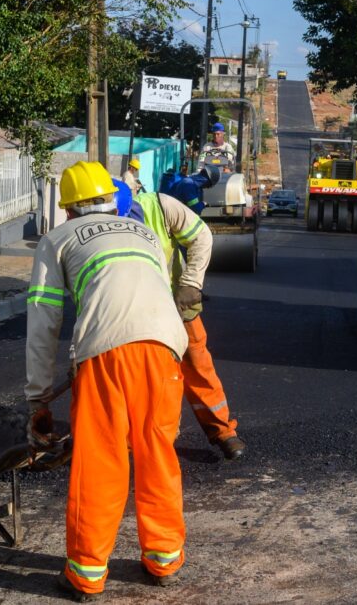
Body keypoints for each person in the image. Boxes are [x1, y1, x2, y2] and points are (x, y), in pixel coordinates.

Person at [26, 161, 189, 601]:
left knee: (101, 457)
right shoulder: (145, 233)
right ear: (109, 199)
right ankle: (164, 558)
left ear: (70, 208)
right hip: (167, 344)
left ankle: (86, 573)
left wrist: (38, 397)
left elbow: (44, 319)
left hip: (107, 349)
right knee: (157, 448)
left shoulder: (56, 240)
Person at [123, 169, 246, 461]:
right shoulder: (101, 228)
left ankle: (222, 430)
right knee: (142, 373)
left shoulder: (161, 205)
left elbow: (201, 236)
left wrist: (191, 283)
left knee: (197, 362)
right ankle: (138, 437)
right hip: (136, 308)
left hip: (178, 301)